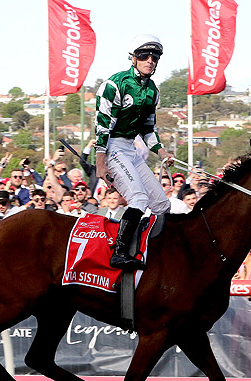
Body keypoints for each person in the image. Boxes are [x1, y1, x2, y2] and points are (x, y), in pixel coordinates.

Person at [95, 34, 175, 270]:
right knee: (138, 198)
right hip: (112, 148)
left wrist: (163, 154)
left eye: (155, 56)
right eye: (144, 56)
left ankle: (157, 253)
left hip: (131, 148)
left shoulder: (153, 90)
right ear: (133, 58)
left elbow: (148, 129)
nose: (150, 60)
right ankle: (119, 253)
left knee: (162, 204)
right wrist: (101, 163)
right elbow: (102, 126)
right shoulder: (115, 84)